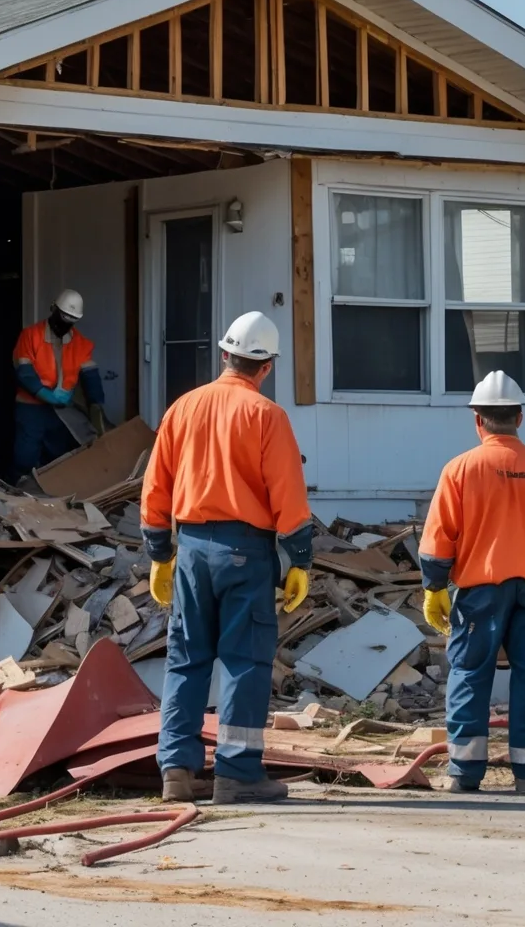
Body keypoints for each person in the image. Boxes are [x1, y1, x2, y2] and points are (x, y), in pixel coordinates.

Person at [142, 311, 313, 804]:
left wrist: (160, 553)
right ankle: (237, 773)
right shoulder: (267, 416)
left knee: (187, 659)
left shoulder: (183, 408)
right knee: (244, 660)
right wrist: (299, 559)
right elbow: (288, 495)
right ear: (267, 366)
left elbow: (156, 488)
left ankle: (176, 770)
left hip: (191, 550)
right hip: (246, 551)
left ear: (224, 355)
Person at [418, 369, 525, 794]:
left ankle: (464, 773)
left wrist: (434, 586)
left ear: (478, 419)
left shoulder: (460, 470)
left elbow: (439, 535)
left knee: (471, 672)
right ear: (519, 418)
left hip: (480, 590)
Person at [11, 288, 107, 479]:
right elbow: (25, 372)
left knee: (58, 457)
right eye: (63, 316)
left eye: (71, 319)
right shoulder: (31, 336)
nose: (65, 323)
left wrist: (96, 405)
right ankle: (17, 495)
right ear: (53, 308)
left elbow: (91, 377)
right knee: (25, 457)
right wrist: (45, 394)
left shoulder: (81, 344)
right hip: (31, 406)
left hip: (61, 410)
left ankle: (52, 500)